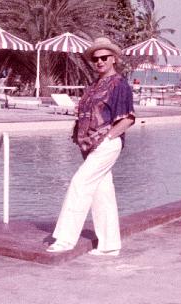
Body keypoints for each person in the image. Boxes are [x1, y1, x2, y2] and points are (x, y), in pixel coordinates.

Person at [46, 37, 136, 256]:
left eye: (104, 57)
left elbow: (129, 118)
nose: (99, 62)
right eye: (95, 59)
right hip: (89, 146)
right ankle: (109, 245)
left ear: (113, 59)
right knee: (101, 192)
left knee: (80, 183)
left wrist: (108, 138)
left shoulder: (119, 85)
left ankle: (65, 239)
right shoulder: (94, 85)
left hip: (106, 144)